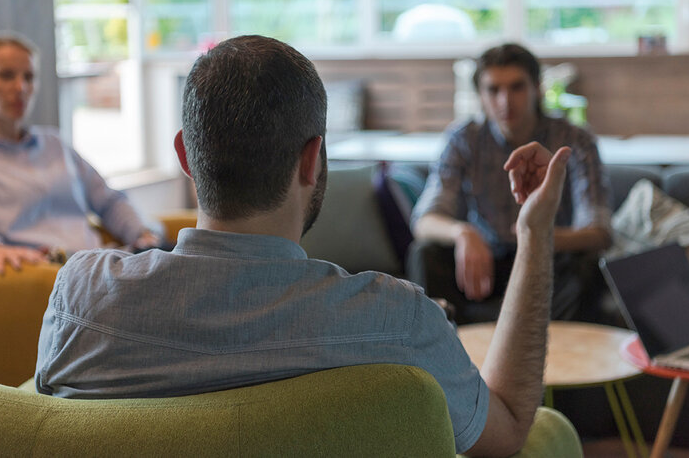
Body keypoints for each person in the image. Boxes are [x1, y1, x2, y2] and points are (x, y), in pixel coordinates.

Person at [37, 35, 570, 456]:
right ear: (312, 159)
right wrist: (533, 235)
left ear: (185, 154)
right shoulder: (398, 322)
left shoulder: (81, 301)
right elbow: (509, 430)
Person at [410, 43, 612, 324]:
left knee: (588, 264)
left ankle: (559, 360)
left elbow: (599, 232)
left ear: (537, 88)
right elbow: (424, 221)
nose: (505, 101)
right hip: (487, 265)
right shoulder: (463, 138)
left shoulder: (576, 139)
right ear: (480, 95)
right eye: (493, 90)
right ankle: (445, 355)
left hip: (551, 258)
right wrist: (463, 233)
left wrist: (535, 234)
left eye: (517, 87)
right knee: (426, 253)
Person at [0, 31, 161, 274]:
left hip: (105, 268)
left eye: (29, 77)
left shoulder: (55, 144)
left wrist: (143, 233)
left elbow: (109, 201)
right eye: (6, 75)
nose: (21, 87)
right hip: (49, 280)